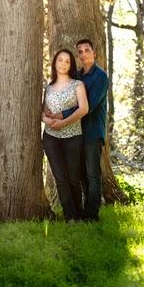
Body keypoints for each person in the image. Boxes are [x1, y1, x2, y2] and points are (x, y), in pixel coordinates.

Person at [55, 39, 108, 222]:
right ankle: (84, 212)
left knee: (93, 174)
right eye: (80, 51)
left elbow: (88, 106)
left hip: (92, 132)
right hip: (76, 132)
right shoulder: (76, 77)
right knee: (81, 175)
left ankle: (92, 215)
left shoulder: (101, 77)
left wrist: (61, 115)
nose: (84, 54)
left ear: (94, 53)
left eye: (87, 50)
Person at [41, 49, 89, 222]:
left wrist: (64, 123)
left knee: (73, 178)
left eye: (67, 61)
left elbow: (84, 109)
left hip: (73, 137)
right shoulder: (48, 87)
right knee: (60, 179)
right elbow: (42, 112)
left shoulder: (77, 85)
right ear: (55, 62)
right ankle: (70, 217)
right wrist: (47, 120)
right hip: (51, 138)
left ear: (71, 65)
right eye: (60, 60)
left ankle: (79, 214)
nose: (63, 64)